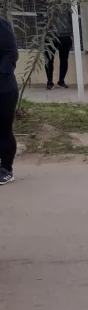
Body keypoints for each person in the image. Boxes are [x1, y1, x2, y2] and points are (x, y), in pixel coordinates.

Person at [0, 15, 19, 185]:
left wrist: (2, 74)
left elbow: (10, 53)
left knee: (3, 130)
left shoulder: (1, 25)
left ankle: (6, 169)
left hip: (3, 89)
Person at [44, 8, 73, 90]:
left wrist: (71, 33)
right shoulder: (47, 4)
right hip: (50, 35)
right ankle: (49, 82)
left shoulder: (68, 5)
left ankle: (61, 81)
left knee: (64, 60)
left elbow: (72, 18)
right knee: (48, 60)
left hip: (65, 35)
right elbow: (41, 17)